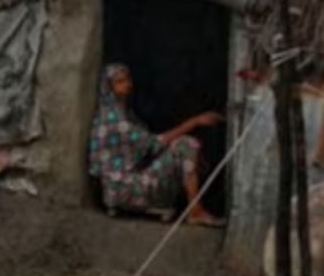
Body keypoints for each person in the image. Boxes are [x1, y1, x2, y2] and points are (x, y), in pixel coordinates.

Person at [89, 63, 224, 225]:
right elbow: (155, 143)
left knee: (184, 150)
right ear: (109, 88)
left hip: (123, 187)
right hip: (126, 190)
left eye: (127, 79)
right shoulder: (115, 121)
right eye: (119, 82)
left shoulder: (120, 112)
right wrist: (195, 121)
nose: (128, 85)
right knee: (186, 145)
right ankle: (195, 210)